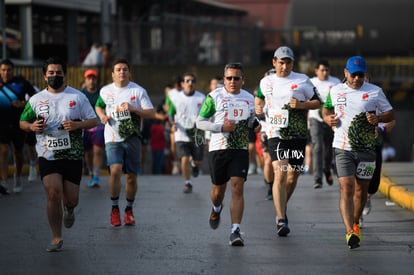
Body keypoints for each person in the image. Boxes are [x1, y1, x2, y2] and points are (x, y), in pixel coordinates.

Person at [19, 56, 98, 252]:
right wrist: (31, 126)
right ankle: (56, 237)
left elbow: (93, 120)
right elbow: (23, 122)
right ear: (45, 76)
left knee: (71, 199)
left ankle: (69, 209)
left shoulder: (77, 97)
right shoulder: (36, 100)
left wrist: (77, 124)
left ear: (65, 74)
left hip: (72, 154)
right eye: (51, 73)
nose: (55, 76)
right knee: (54, 193)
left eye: (58, 73)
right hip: (48, 153)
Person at [322, 56, 395, 249]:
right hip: (342, 147)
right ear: (345, 73)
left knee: (362, 191)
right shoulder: (335, 91)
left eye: (360, 75)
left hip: (367, 149)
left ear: (365, 75)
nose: (356, 79)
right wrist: (328, 119)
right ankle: (349, 231)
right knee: (346, 188)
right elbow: (326, 109)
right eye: (353, 75)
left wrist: (377, 119)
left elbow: (391, 114)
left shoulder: (374, 92)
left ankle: (355, 222)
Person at [255, 46, 322, 237]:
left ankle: (281, 206)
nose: (284, 66)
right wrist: (259, 110)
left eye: (288, 62)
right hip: (276, 134)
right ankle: (281, 218)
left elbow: (319, 102)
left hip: (298, 135)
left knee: (293, 175)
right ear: (274, 62)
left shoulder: (302, 80)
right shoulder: (266, 81)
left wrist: (302, 105)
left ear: (293, 63)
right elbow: (258, 99)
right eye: (281, 62)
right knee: (281, 173)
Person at [196, 62, 260, 246]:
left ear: (243, 80)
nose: (232, 81)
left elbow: (251, 120)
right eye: (229, 78)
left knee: (237, 186)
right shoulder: (214, 96)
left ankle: (235, 230)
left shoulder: (249, 98)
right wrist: (220, 127)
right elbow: (200, 122)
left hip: (239, 149)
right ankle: (216, 208)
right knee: (218, 191)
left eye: (236, 78)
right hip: (218, 148)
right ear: (224, 79)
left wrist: (256, 126)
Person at [95, 58, 155, 227]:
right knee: (115, 170)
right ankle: (114, 209)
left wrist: (134, 108)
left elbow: (151, 113)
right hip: (112, 137)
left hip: (132, 137)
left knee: (131, 177)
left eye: (125, 69)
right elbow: (99, 106)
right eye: (118, 69)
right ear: (113, 74)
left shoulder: (138, 91)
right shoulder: (105, 91)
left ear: (129, 72)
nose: (122, 72)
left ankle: (128, 209)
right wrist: (102, 116)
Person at [0, 59, 36, 194]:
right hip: (1, 123)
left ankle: (17, 177)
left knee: (18, 152)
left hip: (18, 122)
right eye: (3, 70)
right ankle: (4, 182)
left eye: (8, 70)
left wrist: (23, 104)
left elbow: (35, 97)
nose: (6, 72)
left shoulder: (21, 83)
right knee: (3, 150)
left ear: (12, 70)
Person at [166, 73, 206, 193]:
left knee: (198, 160)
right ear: (182, 84)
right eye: (187, 81)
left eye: (192, 81)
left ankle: (195, 165)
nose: (190, 83)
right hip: (181, 133)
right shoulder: (176, 98)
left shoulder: (202, 97)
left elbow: (206, 114)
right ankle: (187, 183)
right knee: (184, 158)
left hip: (197, 133)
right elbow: (170, 113)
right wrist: (173, 123)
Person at [309, 59, 341, 188]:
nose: (324, 72)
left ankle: (327, 169)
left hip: (330, 118)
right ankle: (317, 178)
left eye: (327, 70)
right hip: (315, 118)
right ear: (316, 70)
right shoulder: (311, 82)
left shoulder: (336, 82)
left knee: (329, 149)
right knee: (317, 147)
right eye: (322, 70)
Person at [361, 120, 396, 223]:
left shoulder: (379, 103)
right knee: (354, 183)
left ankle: (367, 196)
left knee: (373, 183)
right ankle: (357, 218)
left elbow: (392, 121)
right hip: (353, 144)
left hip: (374, 144)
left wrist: (381, 129)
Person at [80, 69, 105, 187]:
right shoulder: (80, 94)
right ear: (85, 80)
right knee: (88, 152)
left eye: (93, 78)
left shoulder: (102, 93)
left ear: (96, 80)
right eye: (89, 78)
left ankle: (96, 176)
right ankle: (90, 172)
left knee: (98, 151)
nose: (91, 81)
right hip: (85, 127)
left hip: (99, 126)